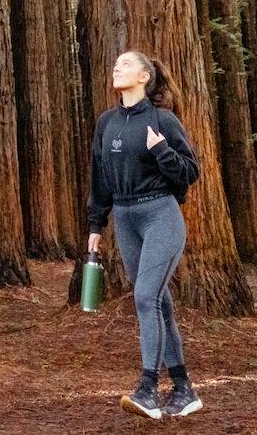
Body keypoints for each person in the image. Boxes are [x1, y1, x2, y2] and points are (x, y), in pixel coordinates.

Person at [87, 49, 203, 420]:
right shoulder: (106, 123)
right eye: (115, 63)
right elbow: (99, 176)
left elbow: (189, 171)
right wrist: (95, 224)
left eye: (125, 64)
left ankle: (149, 388)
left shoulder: (162, 120)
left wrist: (162, 150)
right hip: (125, 217)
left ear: (143, 77)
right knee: (158, 302)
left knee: (144, 297)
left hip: (160, 216)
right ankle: (184, 389)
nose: (116, 67)